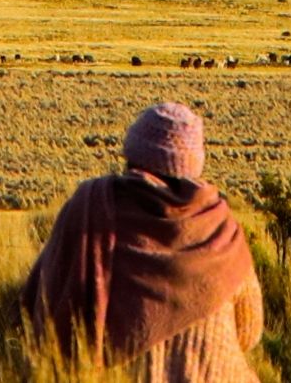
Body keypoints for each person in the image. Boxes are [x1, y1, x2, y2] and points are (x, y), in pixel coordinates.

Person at [20, 102, 264, 380]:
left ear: (132, 154)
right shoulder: (221, 226)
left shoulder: (92, 208)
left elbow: (44, 304)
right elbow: (249, 329)